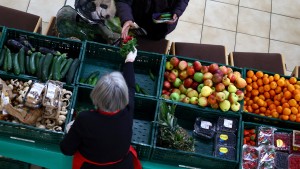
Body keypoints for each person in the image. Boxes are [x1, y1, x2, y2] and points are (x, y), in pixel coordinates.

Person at [60, 49, 141, 169]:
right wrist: (129, 61)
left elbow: (67, 150)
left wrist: (69, 130)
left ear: (96, 94)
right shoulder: (127, 111)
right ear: (124, 97)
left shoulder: (85, 119)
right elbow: (131, 87)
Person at [115, 0, 190, 40]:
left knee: (156, 42)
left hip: (162, 26)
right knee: (138, 42)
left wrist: (177, 12)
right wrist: (126, 18)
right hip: (138, 21)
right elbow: (123, 1)